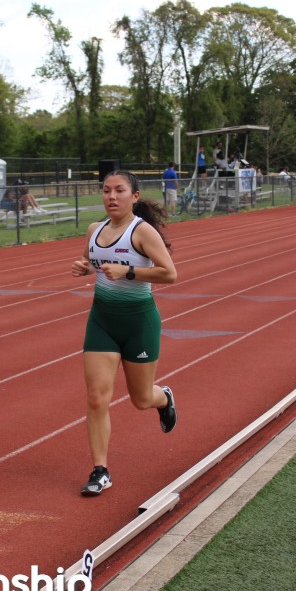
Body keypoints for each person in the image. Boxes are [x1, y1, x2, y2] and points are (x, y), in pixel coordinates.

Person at [70, 170, 178, 496]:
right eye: (106, 190)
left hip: (138, 323)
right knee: (96, 398)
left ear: (134, 196)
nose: (111, 196)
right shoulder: (94, 229)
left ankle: (164, 397)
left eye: (119, 190)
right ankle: (100, 470)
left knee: (141, 399)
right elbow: (92, 260)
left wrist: (128, 271)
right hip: (102, 321)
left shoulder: (142, 231)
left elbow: (169, 273)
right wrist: (83, 267)